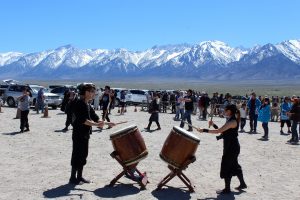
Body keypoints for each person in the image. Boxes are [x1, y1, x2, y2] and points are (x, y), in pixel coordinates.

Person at [69, 84, 115, 184]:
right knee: (77, 154)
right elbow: (84, 121)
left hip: (85, 134)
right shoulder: (79, 104)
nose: (93, 94)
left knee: (84, 154)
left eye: (93, 92)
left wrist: (107, 123)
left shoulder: (88, 104)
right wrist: (96, 124)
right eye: (91, 92)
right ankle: (73, 178)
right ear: (86, 92)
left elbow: (95, 117)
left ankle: (79, 176)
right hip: (78, 133)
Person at [197, 104, 247, 194]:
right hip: (231, 146)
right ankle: (243, 184)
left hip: (232, 147)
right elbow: (223, 130)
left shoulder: (232, 121)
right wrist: (213, 124)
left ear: (229, 111)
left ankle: (227, 189)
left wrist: (204, 130)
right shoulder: (230, 120)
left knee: (226, 165)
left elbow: (219, 131)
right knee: (234, 165)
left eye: (225, 110)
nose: (224, 111)